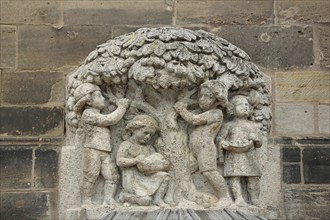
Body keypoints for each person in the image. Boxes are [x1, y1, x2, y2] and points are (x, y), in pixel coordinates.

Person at [174, 80, 232, 207]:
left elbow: (194, 120)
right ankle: (183, 195)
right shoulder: (206, 112)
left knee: (209, 172)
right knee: (185, 170)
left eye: (206, 96)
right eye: (200, 95)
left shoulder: (216, 113)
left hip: (205, 148)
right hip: (195, 149)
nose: (201, 99)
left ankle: (225, 197)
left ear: (216, 99)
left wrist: (182, 110)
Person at [73, 83, 130, 207]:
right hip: (92, 150)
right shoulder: (88, 114)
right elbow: (109, 119)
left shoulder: (94, 113)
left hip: (105, 151)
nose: (103, 98)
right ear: (88, 101)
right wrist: (121, 108)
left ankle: (108, 199)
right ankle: (86, 201)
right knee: (90, 175)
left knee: (112, 176)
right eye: (99, 96)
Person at [116, 115, 170, 207]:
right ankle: (126, 196)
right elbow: (119, 161)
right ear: (134, 130)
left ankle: (158, 199)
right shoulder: (126, 145)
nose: (148, 137)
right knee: (145, 201)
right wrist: (135, 160)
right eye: (145, 133)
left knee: (165, 176)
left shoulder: (149, 148)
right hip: (132, 178)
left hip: (146, 176)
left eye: (151, 135)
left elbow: (154, 160)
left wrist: (161, 163)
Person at [218, 95, 263, 206]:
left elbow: (259, 143)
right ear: (232, 109)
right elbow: (220, 138)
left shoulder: (252, 126)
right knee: (234, 177)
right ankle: (238, 198)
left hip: (249, 154)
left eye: (247, 104)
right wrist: (222, 143)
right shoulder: (229, 125)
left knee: (253, 178)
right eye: (241, 104)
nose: (245, 107)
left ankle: (254, 199)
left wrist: (257, 139)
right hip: (233, 154)